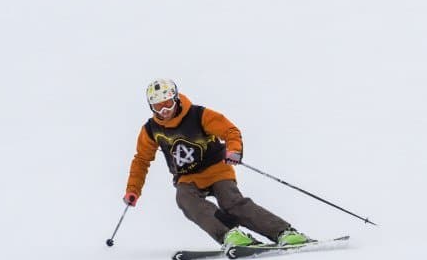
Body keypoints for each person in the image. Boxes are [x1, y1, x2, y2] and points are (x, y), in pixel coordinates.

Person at [123, 79, 311, 249]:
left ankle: (283, 232)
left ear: (176, 99)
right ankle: (230, 235)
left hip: (216, 169)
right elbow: (141, 160)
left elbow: (229, 131)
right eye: (158, 107)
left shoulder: (198, 115)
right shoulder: (151, 130)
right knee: (185, 199)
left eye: (168, 103)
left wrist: (233, 150)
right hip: (187, 177)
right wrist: (133, 190)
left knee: (231, 202)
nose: (164, 111)